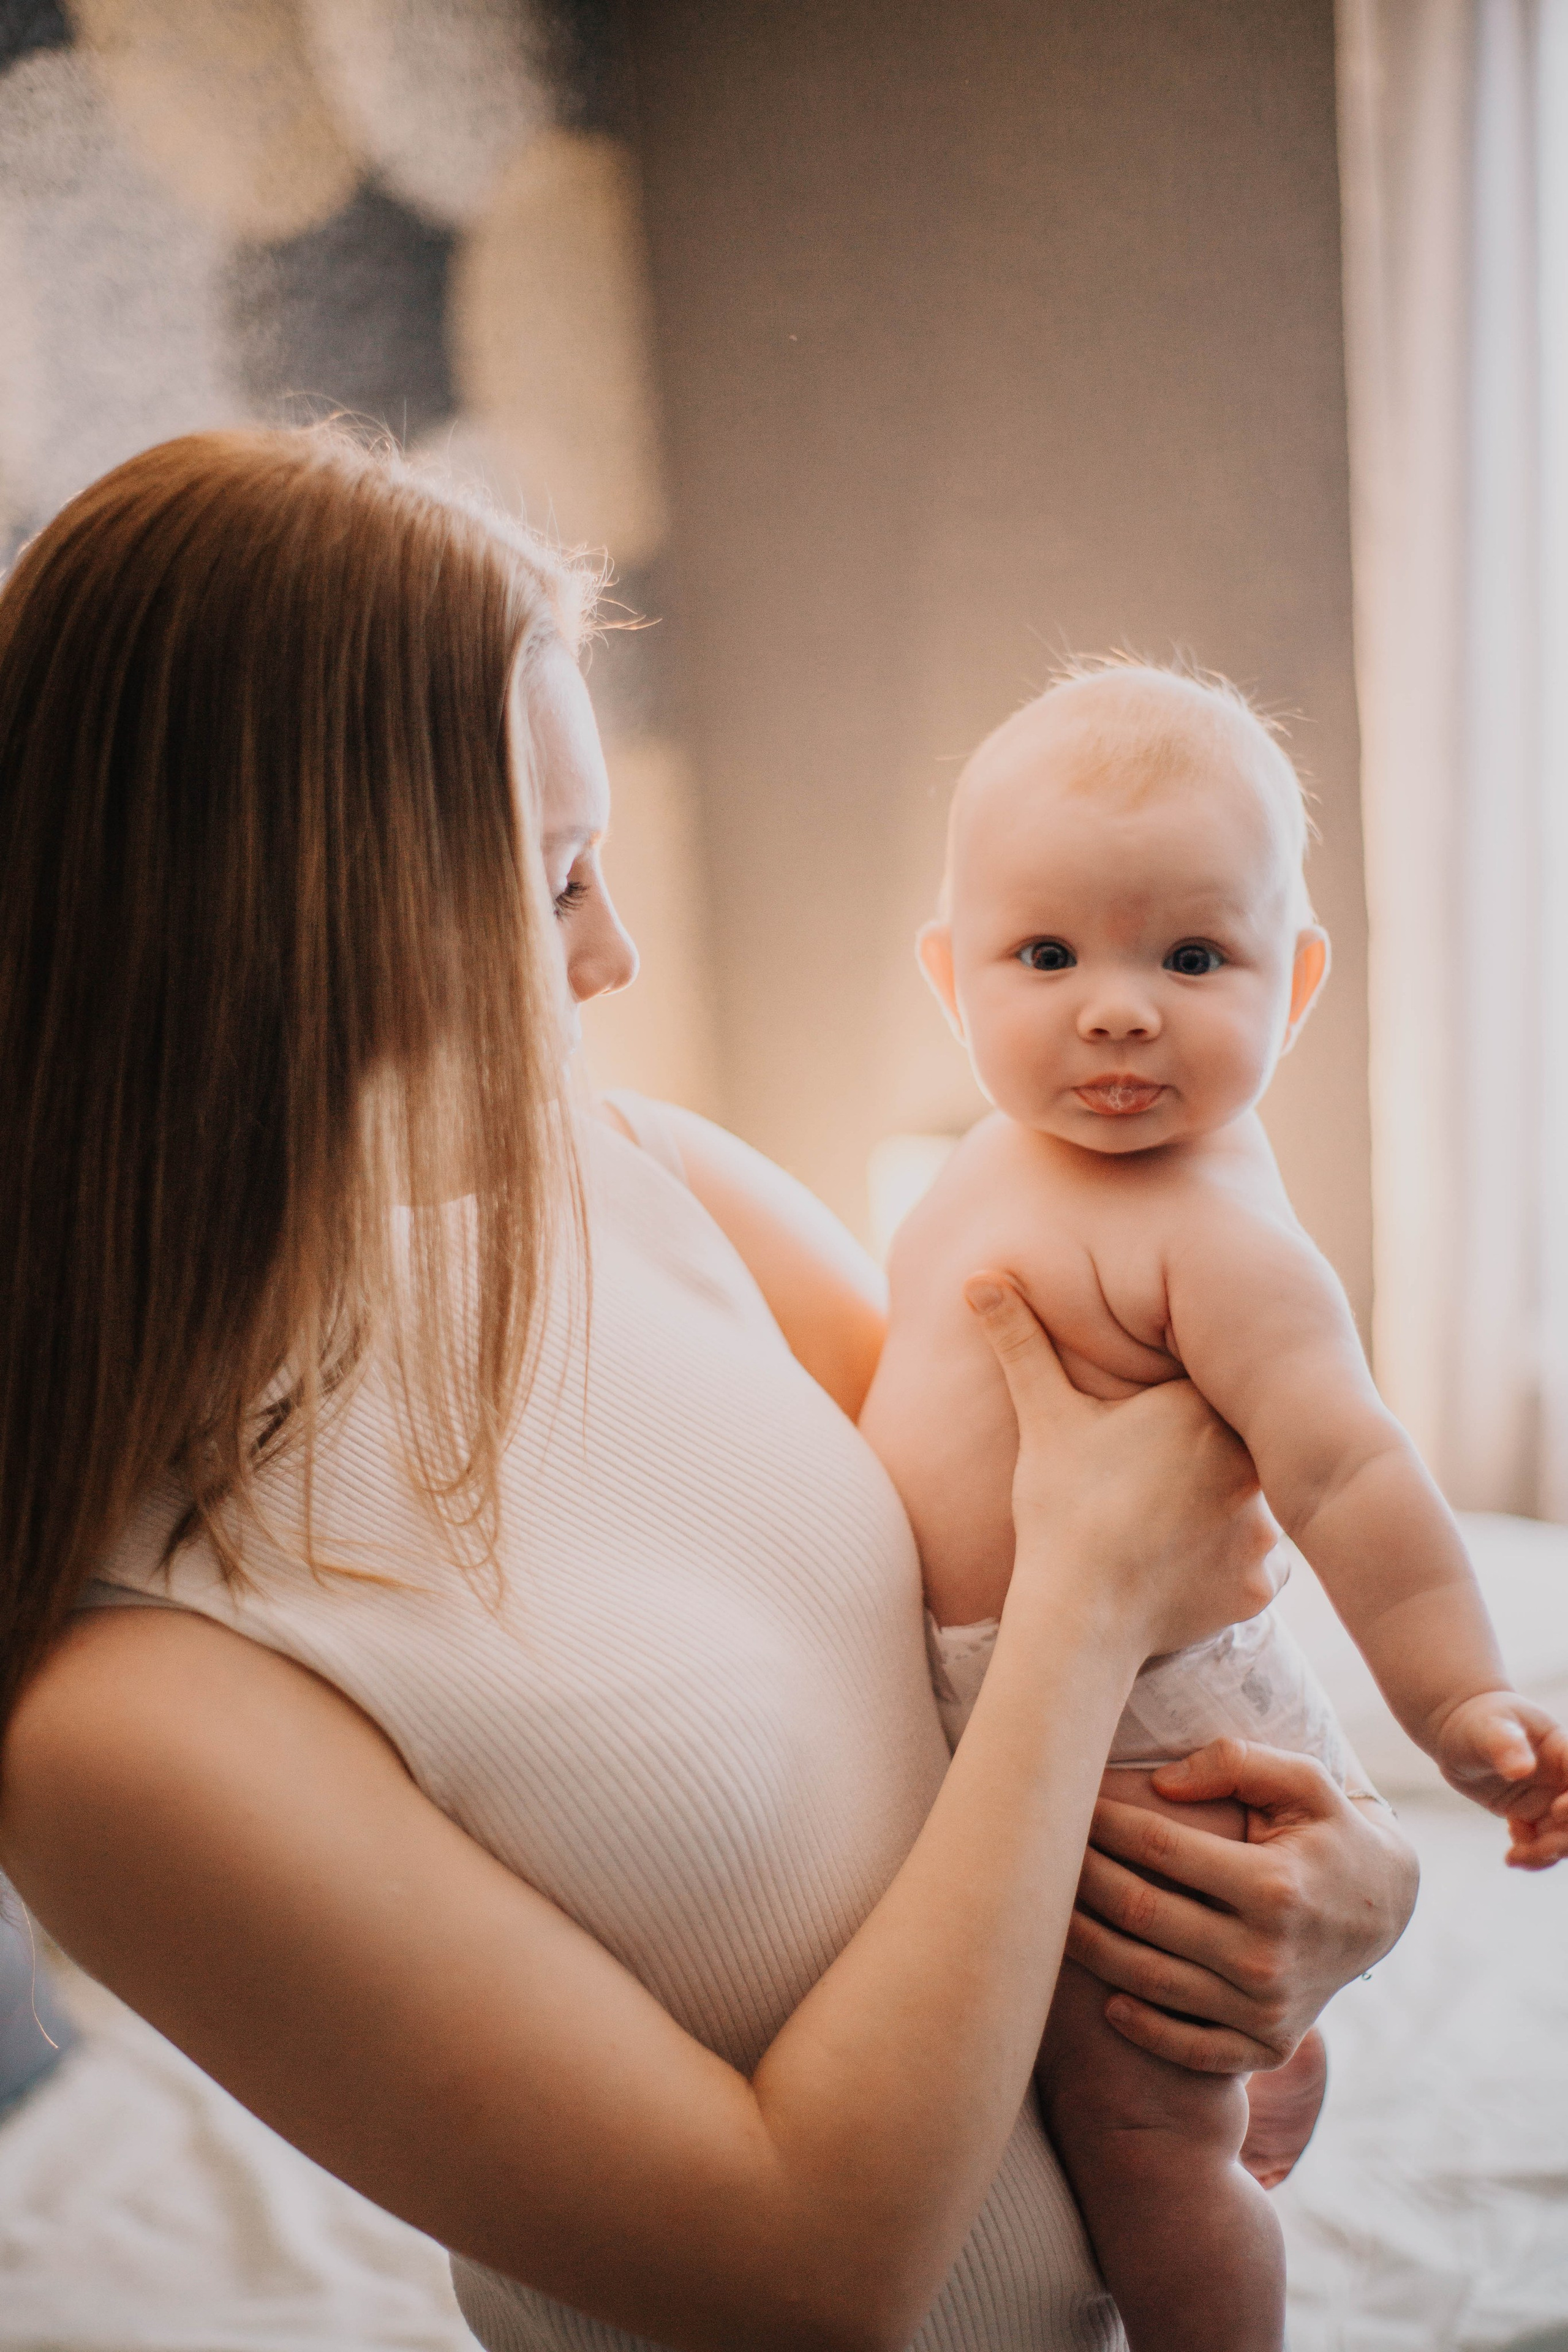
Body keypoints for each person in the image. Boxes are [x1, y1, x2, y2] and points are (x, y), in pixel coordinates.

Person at [0, 432, 1416, 2352]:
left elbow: (1131, 1600)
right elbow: (802, 2277)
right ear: (288, 915)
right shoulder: (126, 1707)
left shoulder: (658, 1184)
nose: (617, 955)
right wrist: (1086, 1607)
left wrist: (1351, 1884)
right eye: (557, 881)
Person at [861, 661, 1568, 2352]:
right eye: (1049, 956)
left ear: (1294, 980)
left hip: (1150, 1743)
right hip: (1033, 1702)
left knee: (1141, 2142)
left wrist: (1460, 1701)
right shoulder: (976, 1167)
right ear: (952, 978)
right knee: (1122, 2082)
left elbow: (1353, 1472)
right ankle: (1278, 2063)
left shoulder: (1218, 1234)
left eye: (1191, 958)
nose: (1117, 1011)